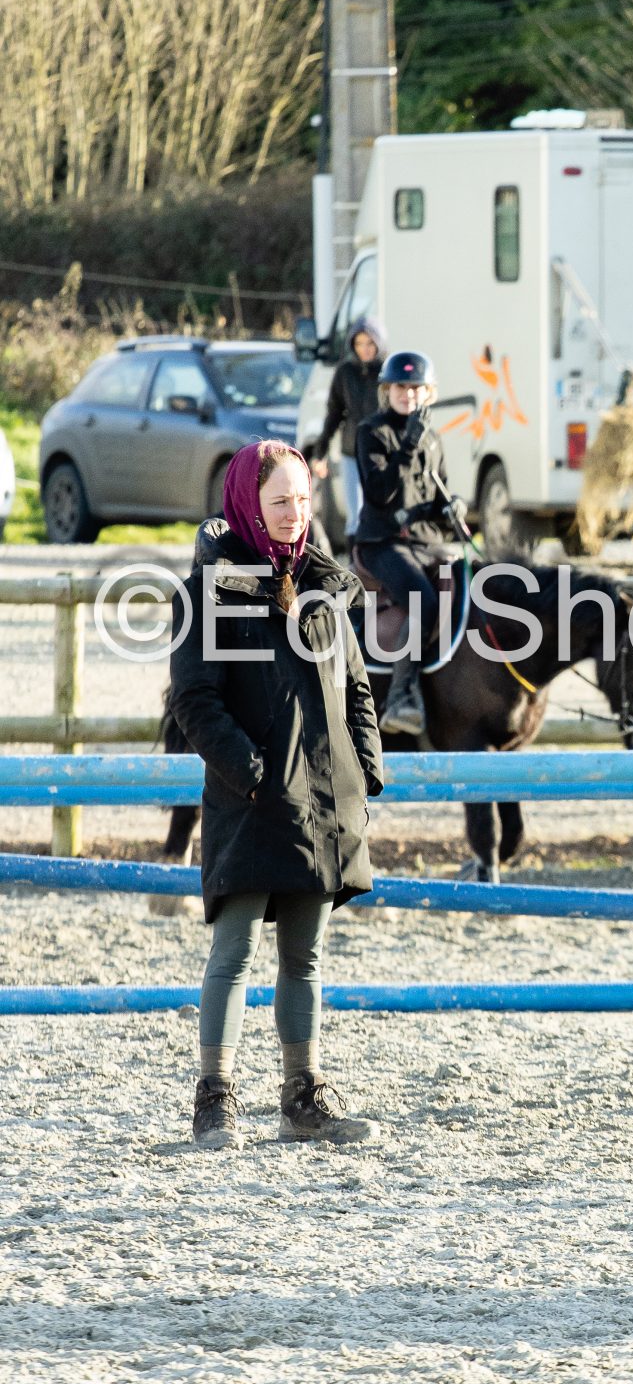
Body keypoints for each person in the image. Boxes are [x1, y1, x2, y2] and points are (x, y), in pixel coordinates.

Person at [168, 441, 384, 1149]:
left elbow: (356, 688)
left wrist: (364, 770)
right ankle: (214, 1096)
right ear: (247, 504)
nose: (295, 514)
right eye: (279, 501)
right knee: (233, 952)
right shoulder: (207, 592)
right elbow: (195, 700)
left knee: (305, 957)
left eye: (303, 499)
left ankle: (303, 1095)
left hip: (324, 799)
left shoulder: (324, 586)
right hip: (253, 799)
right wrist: (252, 774)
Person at [352, 347, 466, 736]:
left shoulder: (433, 438)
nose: (408, 395)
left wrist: (452, 507)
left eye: (416, 388)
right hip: (382, 543)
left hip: (427, 543)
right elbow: (380, 494)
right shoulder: (372, 432)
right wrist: (407, 448)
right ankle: (401, 695)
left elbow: (436, 496)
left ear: (428, 392)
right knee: (424, 601)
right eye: (401, 387)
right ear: (387, 390)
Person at [308, 316, 386, 536]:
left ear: (379, 343)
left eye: (370, 343)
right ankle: (355, 555)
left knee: (379, 512)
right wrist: (320, 452)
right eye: (359, 343)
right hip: (351, 450)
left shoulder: (386, 372)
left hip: (381, 452)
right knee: (355, 516)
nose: (365, 349)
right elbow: (334, 414)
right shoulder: (345, 372)